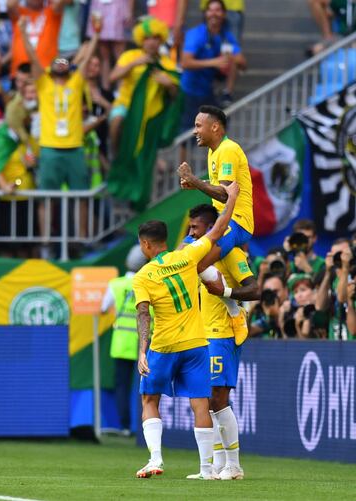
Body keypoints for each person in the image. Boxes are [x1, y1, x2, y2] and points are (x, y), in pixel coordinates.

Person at [133, 181, 239, 480]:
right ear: (166, 240)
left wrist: (143, 351)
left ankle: (155, 459)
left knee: (150, 400)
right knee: (200, 404)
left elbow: (143, 314)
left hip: (164, 346)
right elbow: (218, 230)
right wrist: (230, 198)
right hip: (196, 343)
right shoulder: (187, 256)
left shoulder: (143, 276)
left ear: (146, 244)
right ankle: (207, 469)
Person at [184, 203, 259, 480]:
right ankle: (216, 464)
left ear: (211, 227)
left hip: (223, 333)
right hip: (203, 334)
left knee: (218, 398)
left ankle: (234, 465)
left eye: (195, 227)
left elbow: (255, 289)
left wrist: (226, 290)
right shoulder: (197, 252)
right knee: (208, 400)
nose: (191, 232)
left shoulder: (230, 252)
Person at [19, 13, 101, 255]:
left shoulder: (76, 82)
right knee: (47, 197)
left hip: (75, 147)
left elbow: (85, 62)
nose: (60, 63)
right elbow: (33, 57)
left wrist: (96, 33)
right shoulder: (43, 84)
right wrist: (24, 32)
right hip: (50, 148)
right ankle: (45, 242)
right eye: (56, 61)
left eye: (64, 61)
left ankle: (83, 238)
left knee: (81, 196)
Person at [107, 16, 183, 210]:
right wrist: (135, 64)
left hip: (150, 117)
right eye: (148, 37)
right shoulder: (130, 56)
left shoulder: (167, 64)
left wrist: (169, 85)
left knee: (146, 159)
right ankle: (117, 155)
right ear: (141, 39)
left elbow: (176, 96)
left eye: (156, 38)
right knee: (116, 121)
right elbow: (112, 77)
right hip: (126, 106)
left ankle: (141, 199)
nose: (152, 42)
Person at [177, 105, 253, 271]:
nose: (193, 132)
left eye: (198, 126)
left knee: (194, 267)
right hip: (219, 220)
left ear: (214, 126)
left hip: (237, 222)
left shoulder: (228, 149)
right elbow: (221, 184)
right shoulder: (214, 151)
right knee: (179, 255)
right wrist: (198, 182)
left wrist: (193, 179)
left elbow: (225, 195)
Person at [101, 244, 147, 436]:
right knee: (145, 387)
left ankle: (126, 426)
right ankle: (144, 425)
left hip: (121, 343)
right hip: (144, 343)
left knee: (122, 385)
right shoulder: (146, 282)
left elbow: (103, 308)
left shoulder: (116, 284)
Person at [180, 0, 245, 128]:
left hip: (208, 90)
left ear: (224, 14)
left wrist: (230, 57)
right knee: (187, 135)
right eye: (210, 10)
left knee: (217, 125)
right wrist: (214, 62)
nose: (214, 14)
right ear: (205, 13)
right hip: (190, 91)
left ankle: (227, 93)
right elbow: (185, 62)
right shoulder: (196, 34)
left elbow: (243, 63)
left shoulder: (226, 36)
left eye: (218, 10)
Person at [7, 0, 64, 78]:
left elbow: (59, 2)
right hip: (20, 75)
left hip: (46, 73)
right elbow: (10, 4)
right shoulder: (20, 12)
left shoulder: (51, 11)